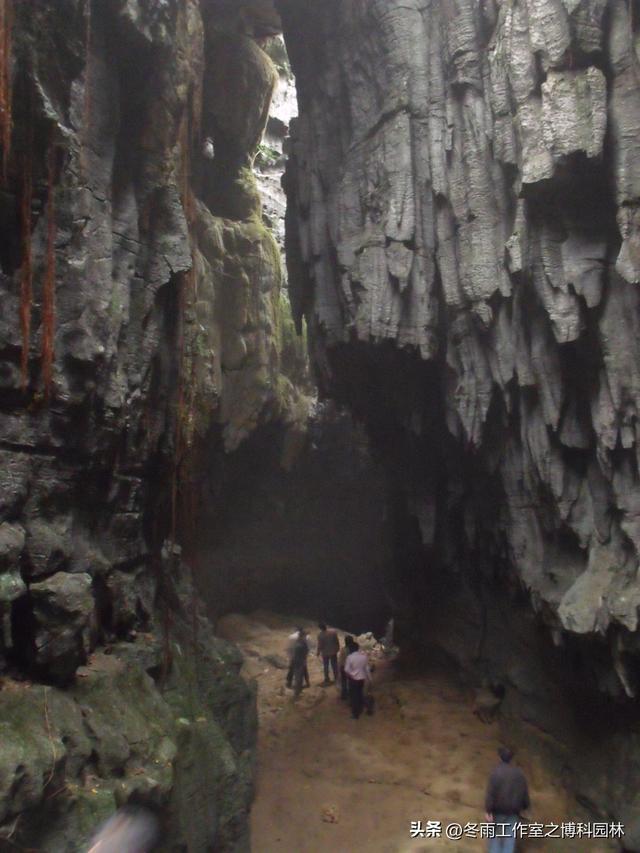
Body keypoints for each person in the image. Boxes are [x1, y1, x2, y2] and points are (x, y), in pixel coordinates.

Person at [484, 747, 530, 853]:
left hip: (498, 810)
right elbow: (524, 792)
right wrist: (525, 806)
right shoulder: (519, 774)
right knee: (510, 837)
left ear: (500, 757)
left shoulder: (495, 773)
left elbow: (491, 793)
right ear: (511, 759)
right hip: (514, 811)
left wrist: (488, 810)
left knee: (493, 835)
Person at [344, 641, 372, 719]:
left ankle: (355, 713)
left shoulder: (350, 657)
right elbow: (367, 668)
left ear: (350, 649)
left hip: (353, 679)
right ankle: (368, 708)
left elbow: (346, 669)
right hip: (362, 678)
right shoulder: (364, 656)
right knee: (361, 694)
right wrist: (370, 678)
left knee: (354, 696)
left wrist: (351, 675)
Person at [291, 631, 310, 698]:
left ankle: (299, 690)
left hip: (297, 661)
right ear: (302, 636)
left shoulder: (297, 642)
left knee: (300, 676)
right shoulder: (302, 643)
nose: (305, 637)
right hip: (300, 662)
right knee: (299, 677)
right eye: (305, 636)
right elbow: (306, 651)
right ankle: (296, 693)